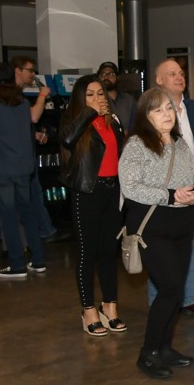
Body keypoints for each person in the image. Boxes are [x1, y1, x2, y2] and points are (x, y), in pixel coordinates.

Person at [120, 88, 194, 379]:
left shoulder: (180, 144)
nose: (166, 114)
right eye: (158, 110)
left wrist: (193, 194)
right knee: (169, 290)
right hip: (151, 230)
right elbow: (130, 188)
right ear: (146, 115)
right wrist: (170, 195)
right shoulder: (136, 145)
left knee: (177, 291)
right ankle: (148, 353)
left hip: (181, 228)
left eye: (169, 108)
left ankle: (165, 348)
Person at [60, 74, 127, 338]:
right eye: (90, 94)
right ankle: (88, 310)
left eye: (100, 93)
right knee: (87, 253)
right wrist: (88, 112)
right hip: (87, 191)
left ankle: (110, 306)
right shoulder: (74, 121)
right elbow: (67, 139)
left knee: (109, 252)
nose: (97, 99)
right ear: (80, 98)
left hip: (113, 191)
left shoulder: (114, 122)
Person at [150, 58, 194, 320]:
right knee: (160, 252)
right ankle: (159, 303)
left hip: (192, 190)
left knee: (188, 246)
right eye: (172, 73)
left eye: (181, 73)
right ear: (159, 80)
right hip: (161, 193)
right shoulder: (149, 109)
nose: (179, 77)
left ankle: (188, 299)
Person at [0, 56, 63, 249]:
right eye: (29, 70)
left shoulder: (11, 97)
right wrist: (42, 96)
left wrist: (33, 136)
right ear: (17, 71)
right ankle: (32, 240)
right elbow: (31, 118)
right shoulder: (14, 98)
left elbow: (11, 126)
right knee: (20, 202)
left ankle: (22, 239)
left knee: (17, 201)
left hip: (13, 159)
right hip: (15, 160)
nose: (33, 74)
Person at [0, 62, 49, 279]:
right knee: (27, 213)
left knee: (8, 216)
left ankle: (17, 265)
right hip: (24, 166)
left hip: (2, 168)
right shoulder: (22, 103)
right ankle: (38, 260)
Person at [97, 61, 136, 129]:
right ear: (98, 77)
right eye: (103, 74)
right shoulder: (95, 99)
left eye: (111, 74)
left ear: (117, 77)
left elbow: (137, 124)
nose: (106, 77)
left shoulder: (129, 100)